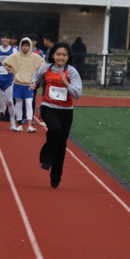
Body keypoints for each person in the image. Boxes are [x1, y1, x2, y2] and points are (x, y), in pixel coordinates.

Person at [30, 42, 83, 188]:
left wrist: (67, 84)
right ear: (53, 55)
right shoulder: (46, 68)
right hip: (48, 107)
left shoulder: (72, 72)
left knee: (61, 144)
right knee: (55, 129)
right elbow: (36, 76)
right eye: (58, 54)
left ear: (68, 57)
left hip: (66, 111)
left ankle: (55, 176)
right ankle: (46, 159)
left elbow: (78, 94)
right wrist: (34, 83)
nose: (61, 57)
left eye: (64, 55)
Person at [2, 37, 46, 133]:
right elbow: (5, 63)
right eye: (23, 45)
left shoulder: (35, 57)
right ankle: (19, 125)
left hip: (29, 84)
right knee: (18, 104)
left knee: (29, 104)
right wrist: (13, 72)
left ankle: (29, 126)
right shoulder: (16, 56)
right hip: (18, 83)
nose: (25, 47)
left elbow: (44, 66)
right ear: (20, 46)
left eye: (27, 46)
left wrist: (36, 76)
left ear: (30, 46)